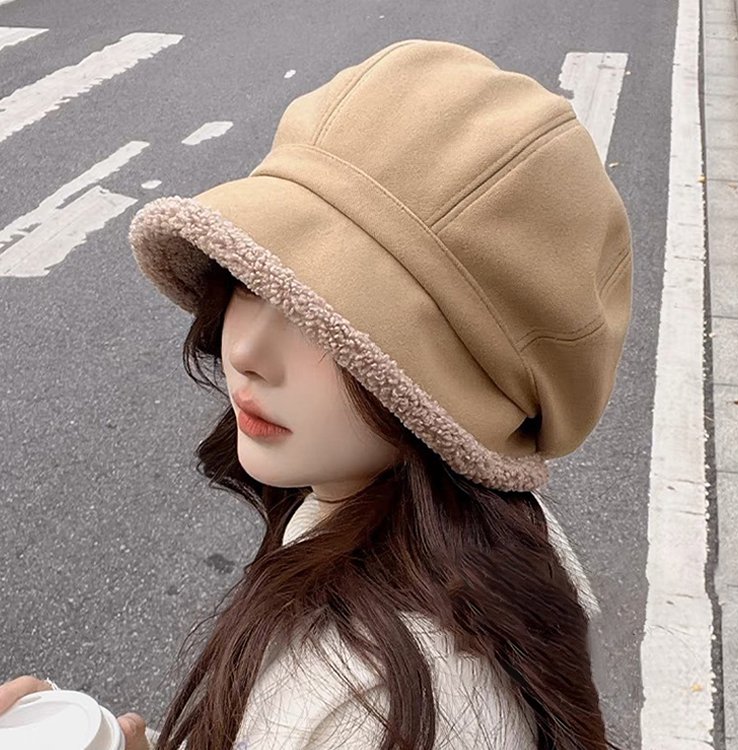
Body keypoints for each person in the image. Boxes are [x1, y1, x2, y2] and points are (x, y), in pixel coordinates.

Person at [0, 38, 632, 749]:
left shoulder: (374, 711)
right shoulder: (462, 542)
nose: (244, 352)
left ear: (462, 385)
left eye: (327, 321)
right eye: (253, 281)